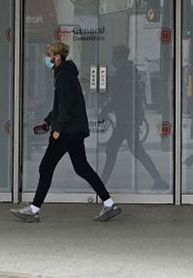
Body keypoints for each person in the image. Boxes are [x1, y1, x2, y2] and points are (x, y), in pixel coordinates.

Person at [10, 41, 120, 223]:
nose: (46, 57)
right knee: (81, 167)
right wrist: (47, 120)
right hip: (74, 130)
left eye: (49, 54)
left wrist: (57, 129)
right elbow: (61, 105)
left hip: (67, 131)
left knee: (46, 167)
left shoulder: (63, 76)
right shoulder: (65, 74)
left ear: (57, 57)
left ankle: (34, 210)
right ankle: (109, 204)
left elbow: (66, 107)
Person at [100, 45, 169, 190]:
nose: (112, 59)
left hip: (126, 120)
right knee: (136, 151)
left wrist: (105, 110)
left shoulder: (124, 74)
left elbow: (119, 98)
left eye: (114, 56)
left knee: (113, 148)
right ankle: (158, 180)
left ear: (120, 58)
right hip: (129, 119)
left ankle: (101, 183)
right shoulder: (129, 72)